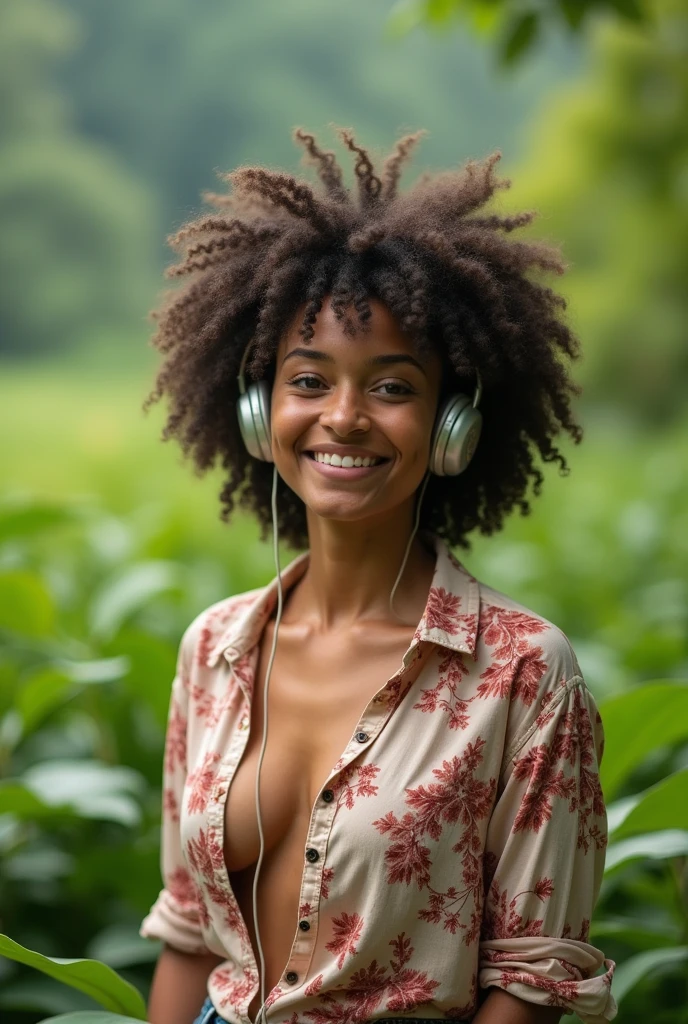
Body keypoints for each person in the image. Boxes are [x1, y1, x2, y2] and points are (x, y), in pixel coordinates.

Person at [138, 127, 617, 1024]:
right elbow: (192, 935)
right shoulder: (216, 648)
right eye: (309, 379)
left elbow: (531, 982)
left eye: (393, 387)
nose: (344, 418)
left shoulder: (520, 672)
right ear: (258, 410)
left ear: (453, 426)